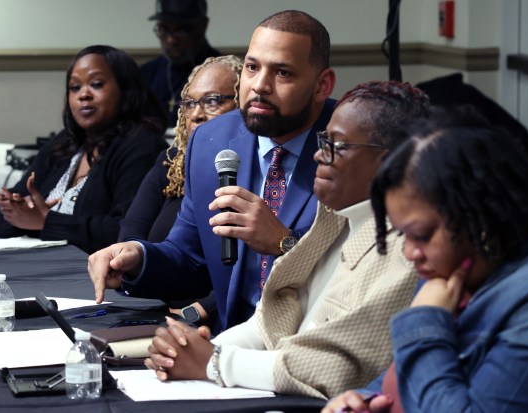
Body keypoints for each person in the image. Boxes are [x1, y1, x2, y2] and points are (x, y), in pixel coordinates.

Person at [143, 80, 430, 399]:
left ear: (391, 160)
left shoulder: (408, 250)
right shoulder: (335, 215)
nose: (320, 155)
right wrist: (193, 351)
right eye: (324, 140)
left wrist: (215, 362)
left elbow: (335, 369)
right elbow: (271, 320)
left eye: (339, 145)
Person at [88, 10, 337, 333]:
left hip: (315, 342)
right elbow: (188, 256)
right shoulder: (211, 141)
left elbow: (360, 277)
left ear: (322, 85)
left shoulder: (350, 146)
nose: (259, 86)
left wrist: (285, 245)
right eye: (252, 67)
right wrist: (138, 258)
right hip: (228, 339)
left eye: (283, 73)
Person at [324, 108, 528, 413]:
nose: (410, 253)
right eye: (402, 234)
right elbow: (408, 379)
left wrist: (424, 325)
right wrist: (362, 399)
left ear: (482, 215)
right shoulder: (464, 262)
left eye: (421, 235)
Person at [0, 45, 168, 254]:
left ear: (126, 90)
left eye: (96, 84)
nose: (84, 95)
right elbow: (1, 221)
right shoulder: (64, 143)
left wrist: (46, 221)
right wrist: (16, 210)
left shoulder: (143, 147)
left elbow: (125, 232)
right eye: (75, 87)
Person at [119, 55, 243, 326]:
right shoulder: (172, 161)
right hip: (157, 306)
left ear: (243, 104)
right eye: (190, 104)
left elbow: (251, 270)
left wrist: (195, 312)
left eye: (212, 101)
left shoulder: (255, 169)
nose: (197, 114)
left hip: (221, 318)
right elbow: (132, 235)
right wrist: (130, 258)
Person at [142, 0, 221, 126]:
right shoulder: (146, 73)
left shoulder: (224, 72)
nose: (171, 40)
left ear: (203, 25)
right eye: (163, 29)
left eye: (182, 30)